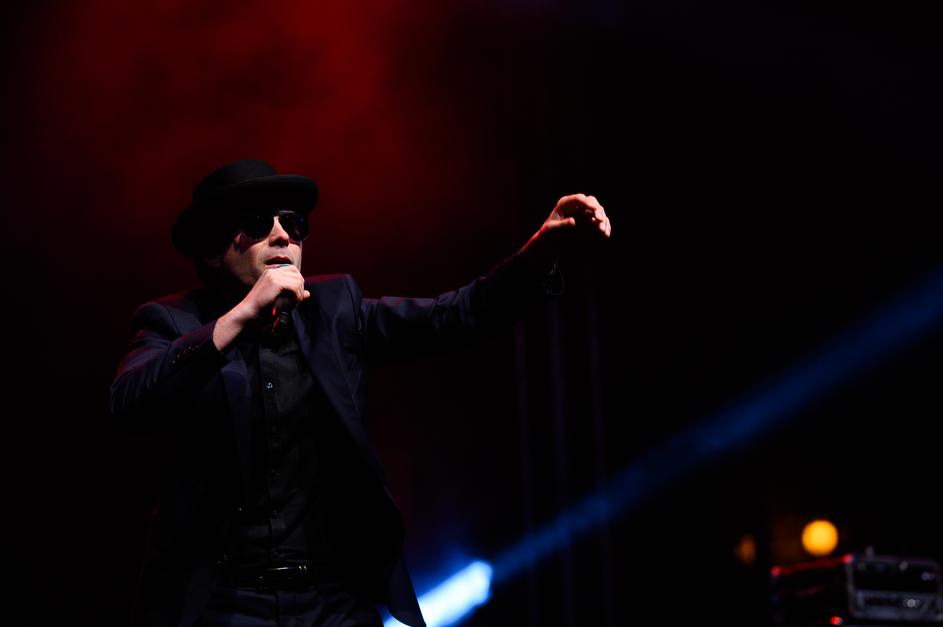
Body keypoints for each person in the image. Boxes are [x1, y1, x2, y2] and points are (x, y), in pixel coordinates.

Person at [109, 159, 612, 627]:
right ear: (212, 250)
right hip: (225, 604)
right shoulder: (172, 322)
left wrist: (538, 254)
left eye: (293, 224)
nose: (283, 234)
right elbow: (130, 402)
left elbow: (454, 316)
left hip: (331, 600)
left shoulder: (334, 309)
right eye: (259, 223)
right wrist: (240, 317)